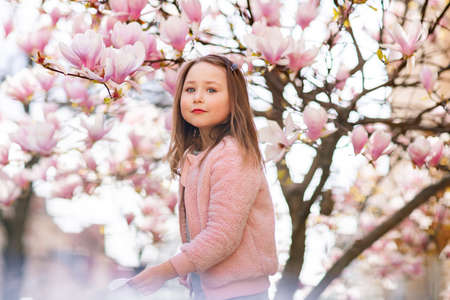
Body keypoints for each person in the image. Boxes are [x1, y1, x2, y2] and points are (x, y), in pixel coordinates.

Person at [126, 54, 278, 300]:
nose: (198, 97)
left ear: (234, 100)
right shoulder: (196, 157)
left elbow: (222, 235)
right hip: (206, 292)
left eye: (211, 90)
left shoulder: (233, 155)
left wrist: (164, 271)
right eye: (190, 89)